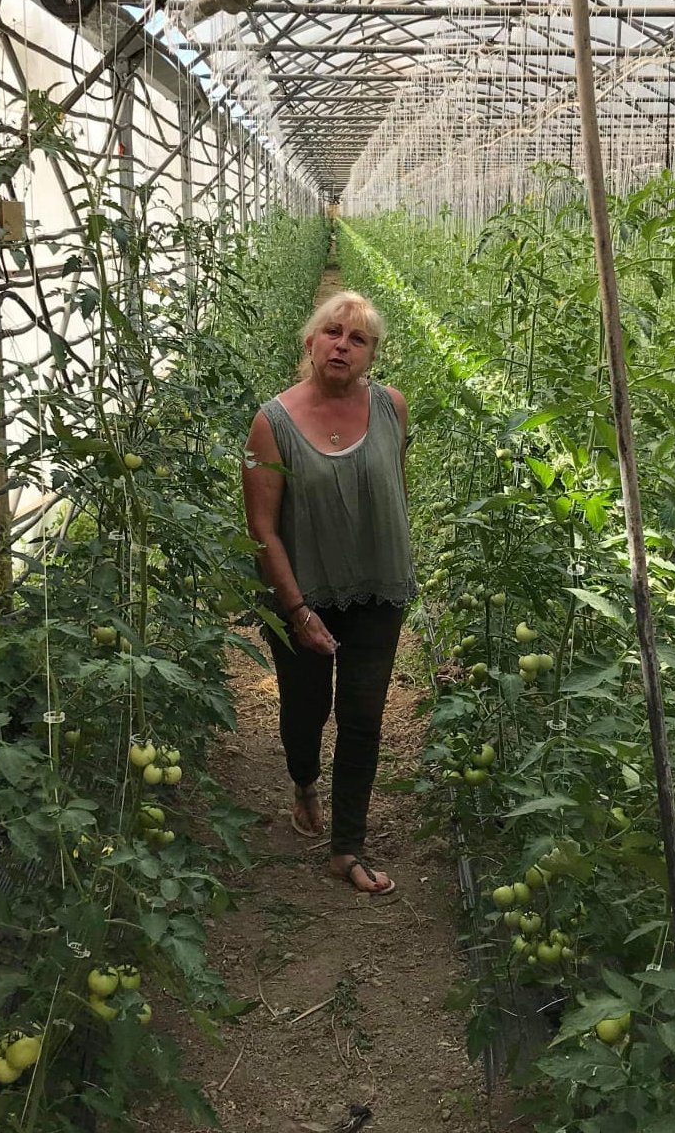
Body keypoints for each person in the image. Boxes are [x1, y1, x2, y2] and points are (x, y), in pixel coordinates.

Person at [242, 290, 415, 895]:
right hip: (302, 593)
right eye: (333, 332)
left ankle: (347, 848)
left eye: (358, 338)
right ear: (310, 342)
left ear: (371, 356)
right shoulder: (272, 422)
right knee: (305, 710)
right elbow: (261, 530)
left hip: (378, 586)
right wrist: (296, 609)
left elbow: (391, 487)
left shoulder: (392, 409)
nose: (343, 344)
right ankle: (303, 779)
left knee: (363, 718)